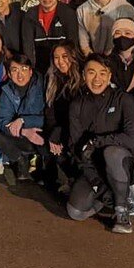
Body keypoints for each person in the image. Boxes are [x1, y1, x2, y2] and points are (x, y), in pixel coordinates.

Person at [66, 54, 134, 234]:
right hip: (95, 167)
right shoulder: (77, 105)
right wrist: (94, 180)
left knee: (112, 153)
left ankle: (122, 210)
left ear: (109, 77)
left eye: (102, 73)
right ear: (84, 76)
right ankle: (110, 194)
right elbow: (76, 147)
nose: (97, 79)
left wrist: (97, 141)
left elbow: (133, 139)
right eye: (91, 73)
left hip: (122, 162)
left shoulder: (123, 100)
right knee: (76, 212)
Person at [0, 54, 47, 185]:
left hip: (41, 134)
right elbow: (2, 120)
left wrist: (23, 120)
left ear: (30, 71)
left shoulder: (43, 86)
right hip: (21, 136)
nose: (20, 74)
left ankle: (42, 166)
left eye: (23, 69)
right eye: (15, 70)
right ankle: (20, 161)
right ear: (10, 75)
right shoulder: (7, 91)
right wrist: (24, 131)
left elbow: (48, 118)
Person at [43, 43, 83, 192]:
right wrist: (52, 133)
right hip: (59, 131)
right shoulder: (52, 80)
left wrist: (59, 132)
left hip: (76, 131)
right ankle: (71, 179)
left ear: (73, 57)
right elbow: (50, 111)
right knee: (53, 149)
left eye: (65, 56)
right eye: (56, 58)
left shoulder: (82, 81)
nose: (60, 61)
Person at [26, 0, 80, 74]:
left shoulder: (68, 13)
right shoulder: (30, 15)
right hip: (39, 70)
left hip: (63, 68)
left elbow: (73, 44)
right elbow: (28, 46)